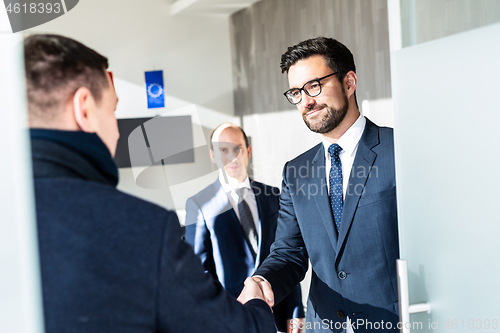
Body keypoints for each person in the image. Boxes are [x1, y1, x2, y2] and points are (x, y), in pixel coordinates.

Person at [25, 33, 275, 333]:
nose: (117, 133)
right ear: (85, 109)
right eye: (113, 110)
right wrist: (254, 306)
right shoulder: (143, 230)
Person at [240, 37, 399, 332]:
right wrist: (262, 281)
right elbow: (289, 252)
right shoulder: (296, 172)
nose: (307, 101)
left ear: (349, 82)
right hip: (323, 325)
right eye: (296, 93)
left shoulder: (398, 150)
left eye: (314, 86)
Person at [184, 123, 305, 333]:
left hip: (277, 322)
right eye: (223, 150)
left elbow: (289, 259)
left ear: (248, 151)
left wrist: (296, 322)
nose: (232, 156)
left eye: (237, 148)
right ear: (213, 156)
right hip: (230, 322)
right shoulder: (199, 204)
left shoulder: (274, 196)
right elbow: (198, 274)